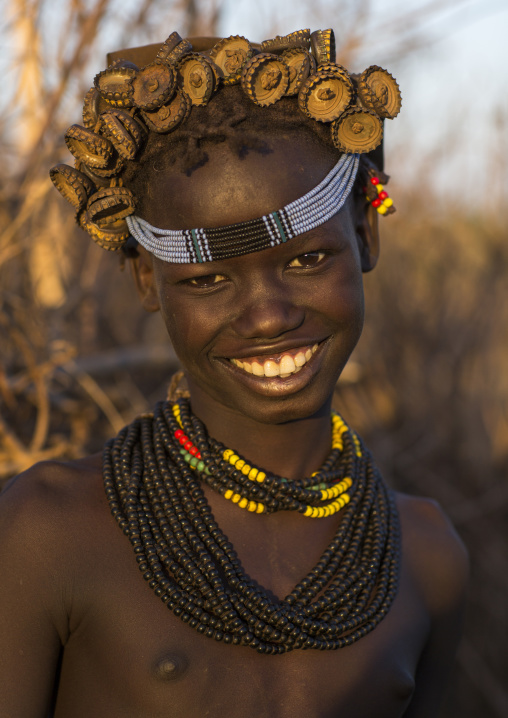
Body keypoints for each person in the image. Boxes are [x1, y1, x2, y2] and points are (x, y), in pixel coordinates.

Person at [0, 28, 468, 718]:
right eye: (209, 279)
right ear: (146, 279)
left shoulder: (426, 559)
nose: (268, 317)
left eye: (307, 261)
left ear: (366, 235)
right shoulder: (49, 532)